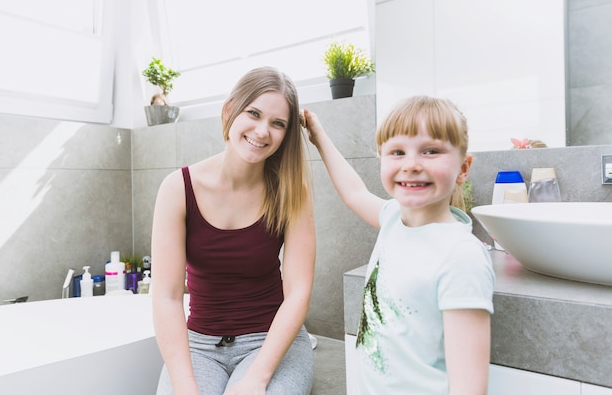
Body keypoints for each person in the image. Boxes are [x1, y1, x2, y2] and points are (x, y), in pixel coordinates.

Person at [303, 95, 495, 395]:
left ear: (463, 168)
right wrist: (318, 136)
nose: (412, 165)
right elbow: (354, 193)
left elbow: (469, 387)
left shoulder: (460, 256)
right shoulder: (394, 219)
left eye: (431, 151)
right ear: (381, 159)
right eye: (397, 152)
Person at [151, 66, 316, 395]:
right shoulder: (177, 189)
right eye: (253, 113)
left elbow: (298, 293)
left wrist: (257, 378)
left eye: (278, 123)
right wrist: (184, 386)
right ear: (229, 111)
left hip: (270, 343)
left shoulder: (290, 191)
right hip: (199, 346)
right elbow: (167, 297)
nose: (262, 131)